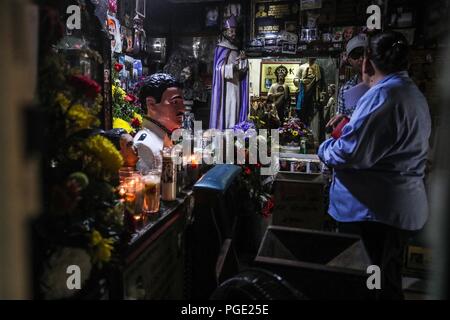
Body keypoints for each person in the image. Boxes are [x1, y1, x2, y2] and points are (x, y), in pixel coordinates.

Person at [318, 31, 431, 300]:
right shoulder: (410, 93)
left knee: (370, 287)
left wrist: (325, 148)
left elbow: (351, 154)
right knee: (383, 281)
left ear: (368, 61)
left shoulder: (383, 96)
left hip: (372, 213)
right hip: (388, 209)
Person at [133, 73, 185, 173]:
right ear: (151, 104)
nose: (183, 109)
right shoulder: (144, 145)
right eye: (175, 102)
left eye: (182, 102)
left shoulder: (163, 138)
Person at [209, 15, 249, 130]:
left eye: (234, 31)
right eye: (231, 31)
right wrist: (233, 67)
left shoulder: (235, 49)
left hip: (236, 86)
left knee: (235, 110)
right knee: (227, 112)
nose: (233, 34)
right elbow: (218, 69)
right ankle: (225, 139)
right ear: (224, 32)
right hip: (225, 89)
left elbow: (242, 71)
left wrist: (243, 61)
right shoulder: (220, 48)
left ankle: (234, 138)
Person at [327, 34, 367, 129]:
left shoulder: (384, 85)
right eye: (356, 55)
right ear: (349, 60)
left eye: (364, 54)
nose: (361, 59)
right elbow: (342, 117)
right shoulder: (346, 89)